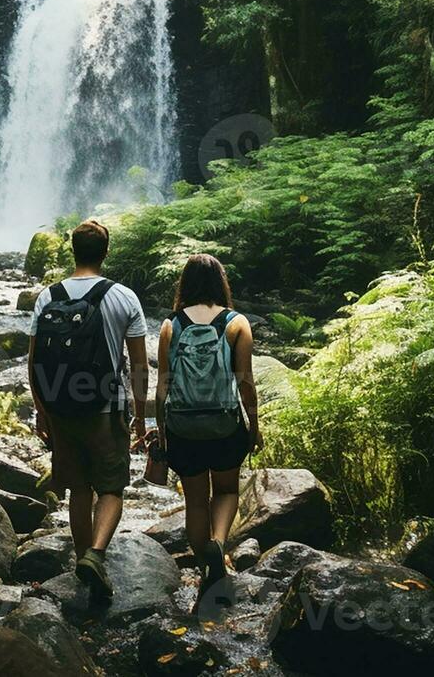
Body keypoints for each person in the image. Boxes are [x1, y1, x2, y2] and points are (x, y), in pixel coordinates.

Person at [27, 219, 149, 602]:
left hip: (62, 406)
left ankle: (84, 561)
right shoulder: (124, 297)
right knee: (111, 487)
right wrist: (141, 415)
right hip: (106, 407)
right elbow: (141, 365)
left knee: (79, 489)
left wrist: (41, 411)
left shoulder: (48, 296)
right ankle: (96, 554)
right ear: (106, 251)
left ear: (72, 251)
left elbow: (33, 362)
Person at [154, 254, 261, 610]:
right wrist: (254, 423)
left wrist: (162, 432)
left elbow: (162, 386)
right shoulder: (236, 323)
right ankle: (219, 541)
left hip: (182, 425)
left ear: (185, 284)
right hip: (224, 423)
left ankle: (205, 568)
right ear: (221, 283)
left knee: (195, 500)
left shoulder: (171, 325)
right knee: (227, 489)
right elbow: (244, 382)